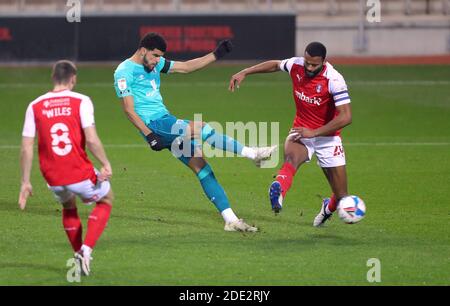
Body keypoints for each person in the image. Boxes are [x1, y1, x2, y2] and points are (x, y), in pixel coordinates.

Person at [113, 33, 276, 232]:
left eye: (160, 57)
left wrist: (216, 55)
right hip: (155, 124)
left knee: (202, 167)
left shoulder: (156, 63)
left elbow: (187, 66)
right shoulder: (124, 71)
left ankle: (230, 220)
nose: (157, 61)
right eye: (155, 56)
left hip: (166, 120)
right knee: (202, 128)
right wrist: (149, 134)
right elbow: (128, 109)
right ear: (143, 50)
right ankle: (253, 154)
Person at [229, 42, 352, 227]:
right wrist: (245, 71)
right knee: (291, 160)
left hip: (328, 137)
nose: (309, 68)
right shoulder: (296, 65)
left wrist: (315, 132)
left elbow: (346, 116)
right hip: (301, 130)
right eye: (307, 63)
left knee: (342, 197)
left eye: (314, 65)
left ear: (323, 62)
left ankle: (328, 207)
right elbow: (275, 64)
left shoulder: (334, 79)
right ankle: (278, 190)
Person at [19, 60, 114, 276]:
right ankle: (86, 250)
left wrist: (25, 182)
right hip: (78, 170)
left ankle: (77, 253)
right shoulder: (81, 101)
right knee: (106, 199)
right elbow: (91, 139)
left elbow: (26, 147)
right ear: (73, 78)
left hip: (52, 176)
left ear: (53, 77)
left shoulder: (35, 105)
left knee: (69, 207)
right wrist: (105, 163)